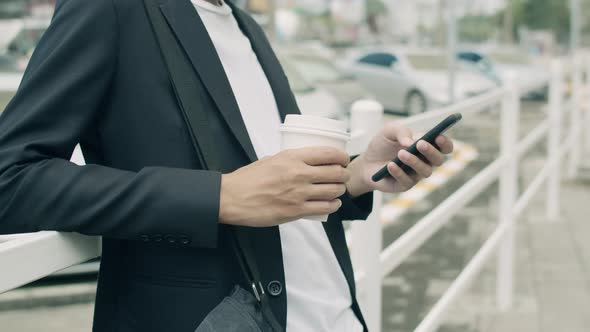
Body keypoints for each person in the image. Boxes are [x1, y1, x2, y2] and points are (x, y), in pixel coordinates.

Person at [0, 0, 454, 331]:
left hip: (335, 313)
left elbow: (270, 179)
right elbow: (12, 179)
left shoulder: (244, 25)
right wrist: (219, 197)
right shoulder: (110, 9)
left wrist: (356, 176)